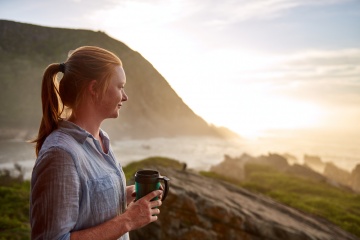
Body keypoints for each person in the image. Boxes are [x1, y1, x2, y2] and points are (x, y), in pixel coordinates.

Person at [30, 46, 163, 240]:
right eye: (120, 86)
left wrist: (121, 194)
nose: (125, 96)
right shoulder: (61, 154)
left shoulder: (101, 140)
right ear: (94, 88)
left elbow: (86, 202)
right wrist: (128, 221)